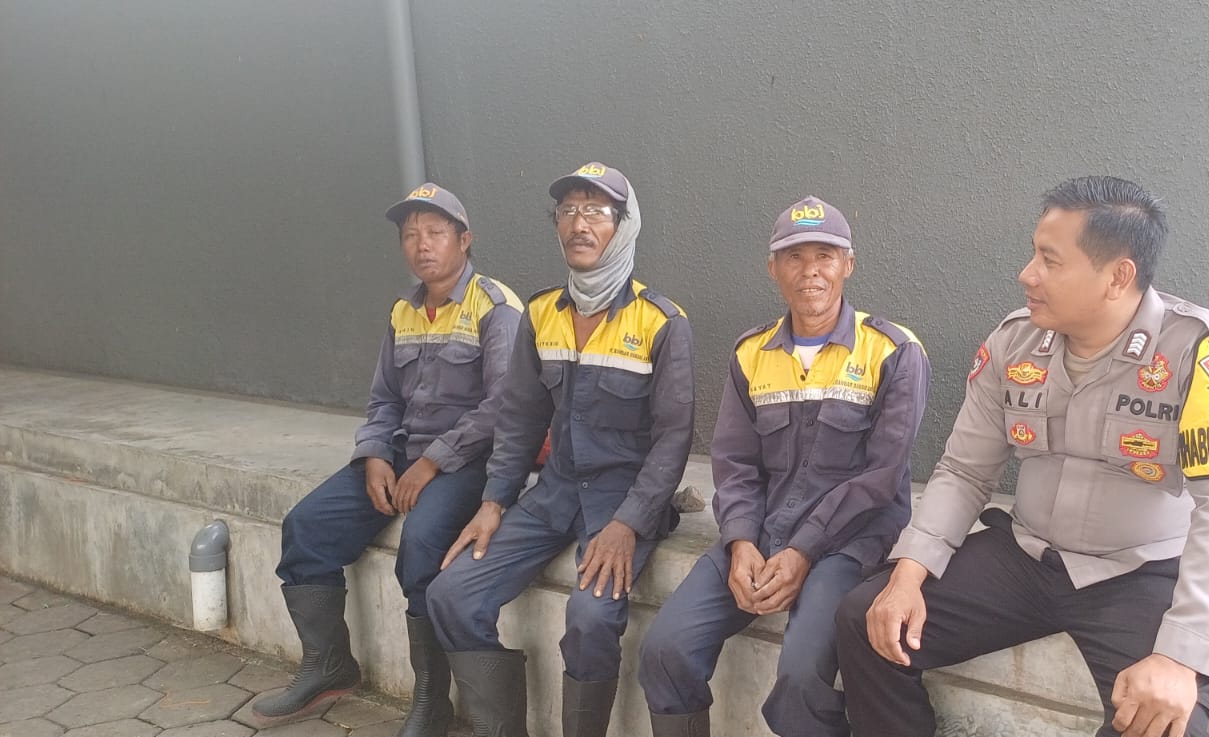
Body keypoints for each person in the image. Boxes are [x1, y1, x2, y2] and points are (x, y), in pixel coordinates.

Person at [835, 176, 1209, 737]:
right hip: (1026, 558)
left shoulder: (1202, 351)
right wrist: (909, 573)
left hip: (1140, 572)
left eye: (1049, 260)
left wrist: (1181, 654)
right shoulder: (1014, 342)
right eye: (1033, 254)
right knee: (867, 619)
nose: (1027, 274)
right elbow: (965, 471)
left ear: (1117, 276)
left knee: (1164, 722)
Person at [638, 196, 929, 737]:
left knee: (799, 680)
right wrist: (740, 541)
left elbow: (882, 477)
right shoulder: (751, 353)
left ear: (848, 264)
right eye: (794, 257)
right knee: (665, 651)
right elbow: (735, 463)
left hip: (848, 542)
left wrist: (804, 550)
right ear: (773, 268)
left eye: (825, 256)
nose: (810, 271)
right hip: (764, 533)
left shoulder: (892, 351)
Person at [426, 162, 695, 737]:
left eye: (596, 211)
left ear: (624, 226)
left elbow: (674, 439)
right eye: (569, 210)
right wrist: (494, 502)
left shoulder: (661, 322)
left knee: (590, 615)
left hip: (622, 502)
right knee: (450, 592)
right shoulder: (542, 313)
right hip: (553, 495)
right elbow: (520, 417)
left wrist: (630, 522)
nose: (579, 224)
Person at [257, 183, 523, 737]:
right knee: (307, 527)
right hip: (401, 454)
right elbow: (383, 400)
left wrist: (433, 462)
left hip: (468, 461)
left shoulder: (495, 307)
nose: (421, 245)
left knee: (421, 543)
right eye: (410, 234)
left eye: (435, 232)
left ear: (464, 240)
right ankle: (329, 665)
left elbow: (505, 406)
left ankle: (432, 701)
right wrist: (376, 453)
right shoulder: (404, 310)